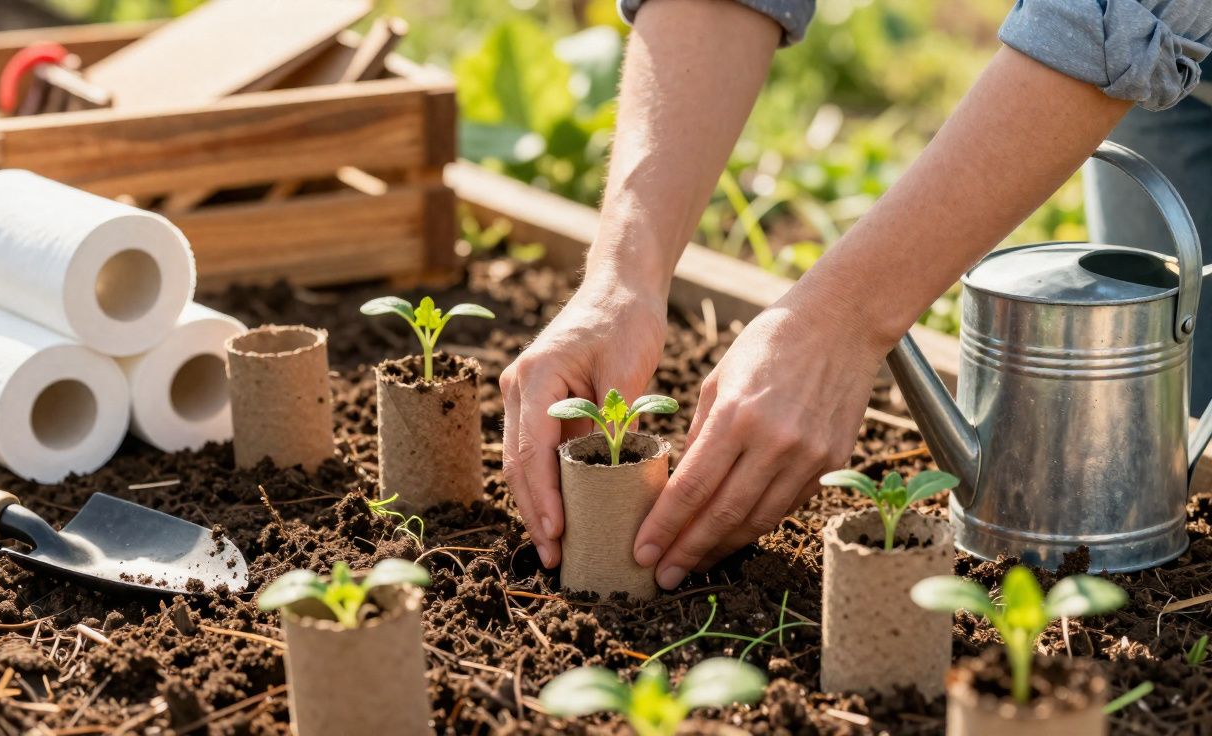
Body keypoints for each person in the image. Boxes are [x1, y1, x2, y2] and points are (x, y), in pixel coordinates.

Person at [499, 0, 1212, 590]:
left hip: (1150, 31)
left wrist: (842, 320)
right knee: (1161, 435)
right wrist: (622, 276)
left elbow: (1116, 17)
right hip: (1167, 64)